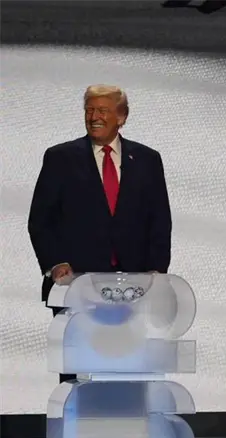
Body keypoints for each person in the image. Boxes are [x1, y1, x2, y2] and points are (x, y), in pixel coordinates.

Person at [27, 84, 173, 383]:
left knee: (129, 372)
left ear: (122, 117)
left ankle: (128, 426)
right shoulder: (60, 158)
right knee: (76, 374)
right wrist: (56, 264)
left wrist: (157, 271)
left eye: (103, 110)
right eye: (90, 110)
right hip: (76, 286)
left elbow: (159, 220)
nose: (94, 117)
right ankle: (74, 425)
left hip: (133, 287)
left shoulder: (147, 160)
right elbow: (41, 220)